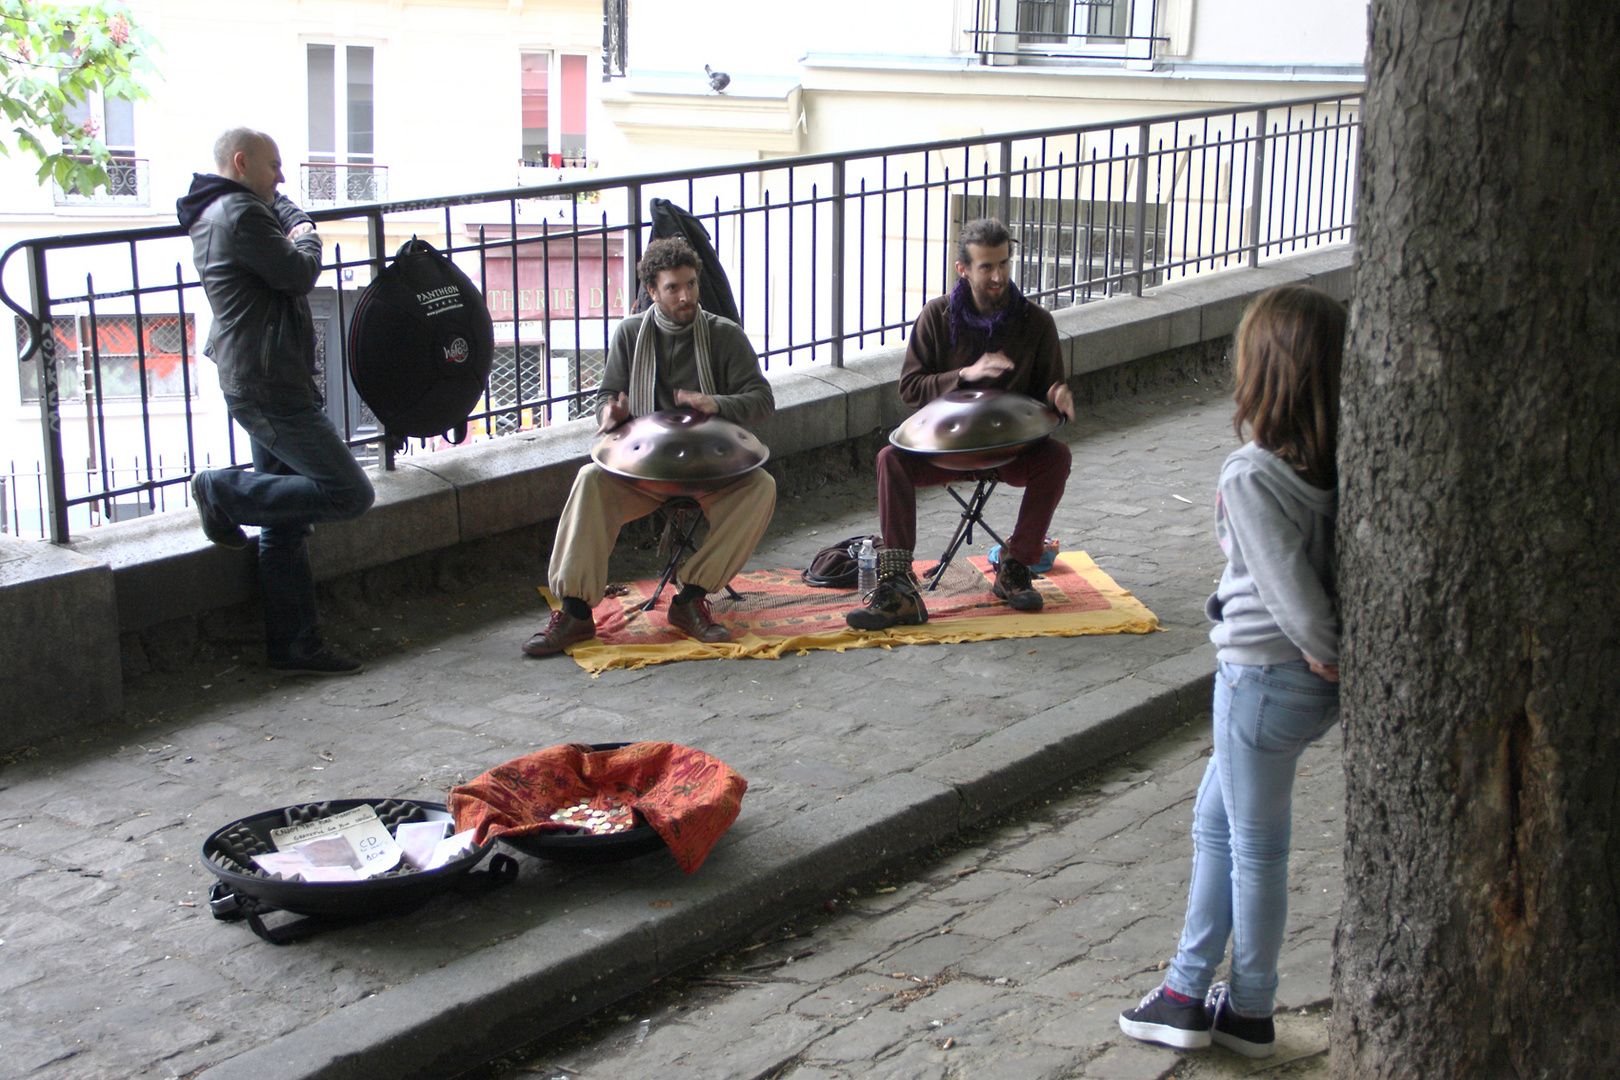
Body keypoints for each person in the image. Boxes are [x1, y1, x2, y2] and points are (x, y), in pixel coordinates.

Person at [1118, 284, 1346, 1059]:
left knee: (1255, 846)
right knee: (1213, 823)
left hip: (1261, 681)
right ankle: (1185, 990)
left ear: (1264, 371)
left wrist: (1326, 648)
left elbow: (1292, 592)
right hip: (1287, 689)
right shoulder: (1333, 462)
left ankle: (1248, 1006)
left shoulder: (1250, 472)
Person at [177, 128, 375, 675]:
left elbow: (277, 224)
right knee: (348, 492)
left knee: (283, 524)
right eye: (274, 166)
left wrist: (285, 210)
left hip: (260, 375)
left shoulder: (231, 207)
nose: (281, 176)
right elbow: (298, 272)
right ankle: (221, 489)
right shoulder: (239, 216)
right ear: (241, 163)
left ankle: (295, 647)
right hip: (269, 386)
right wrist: (307, 230)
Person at [523, 237, 775, 657]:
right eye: (674, 288)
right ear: (652, 292)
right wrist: (611, 417)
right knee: (590, 479)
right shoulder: (630, 333)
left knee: (761, 486)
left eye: (691, 285)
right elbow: (606, 397)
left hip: (710, 472)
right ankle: (574, 612)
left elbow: (762, 400)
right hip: (644, 473)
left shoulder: (723, 336)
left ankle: (690, 599)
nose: (686, 296)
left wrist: (715, 404)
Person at [846, 218, 1074, 630]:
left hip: (1007, 450)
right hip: (946, 453)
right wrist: (964, 375)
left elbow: (1047, 402)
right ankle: (897, 586)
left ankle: (1016, 565)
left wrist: (1057, 400)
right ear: (963, 269)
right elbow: (910, 389)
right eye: (987, 267)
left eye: (1004, 264)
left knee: (1056, 457)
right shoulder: (937, 317)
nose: (999, 276)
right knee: (890, 459)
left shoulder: (1036, 323)